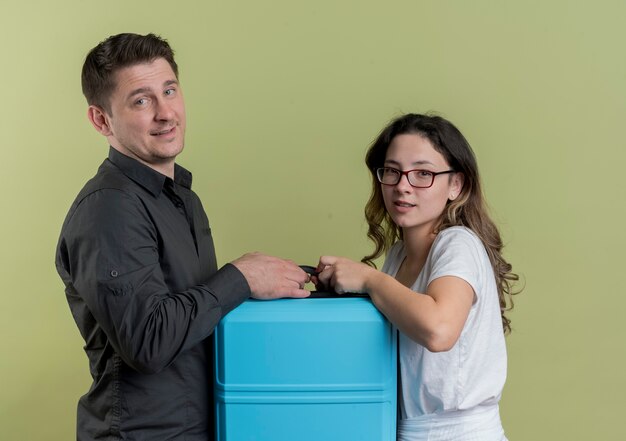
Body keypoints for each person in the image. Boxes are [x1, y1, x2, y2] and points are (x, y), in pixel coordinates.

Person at [55, 33, 310, 441]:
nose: (165, 113)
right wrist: (240, 278)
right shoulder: (110, 208)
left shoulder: (181, 199)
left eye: (169, 91)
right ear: (101, 120)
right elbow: (148, 342)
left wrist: (279, 279)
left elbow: (191, 313)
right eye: (141, 100)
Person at [314, 113, 520, 440]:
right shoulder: (398, 256)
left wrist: (368, 280)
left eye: (423, 173)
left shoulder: (458, 243)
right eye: (392, 172)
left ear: (457, 184)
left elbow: (438, 330)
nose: (402, 187)